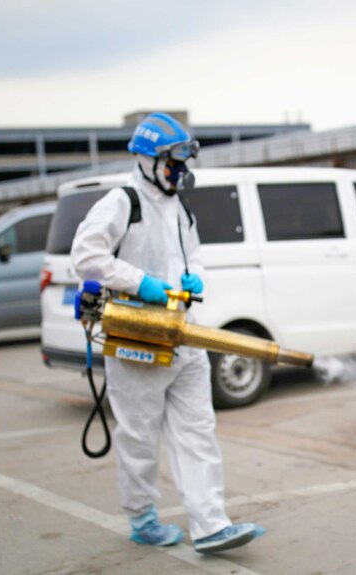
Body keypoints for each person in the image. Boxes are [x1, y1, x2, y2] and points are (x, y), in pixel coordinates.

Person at [71, 112, 264, 553]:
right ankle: (141, 517)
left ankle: (211, 524)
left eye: (182, 162)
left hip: (182, 333)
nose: (180, 171)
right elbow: (84, 256)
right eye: (173, 161)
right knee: (139, 435)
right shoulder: (122, 202)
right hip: (137, 339)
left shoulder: (178, 205)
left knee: (198, 429)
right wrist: (140, 283)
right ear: (148, 160)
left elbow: (192, 256)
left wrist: (195, 278)